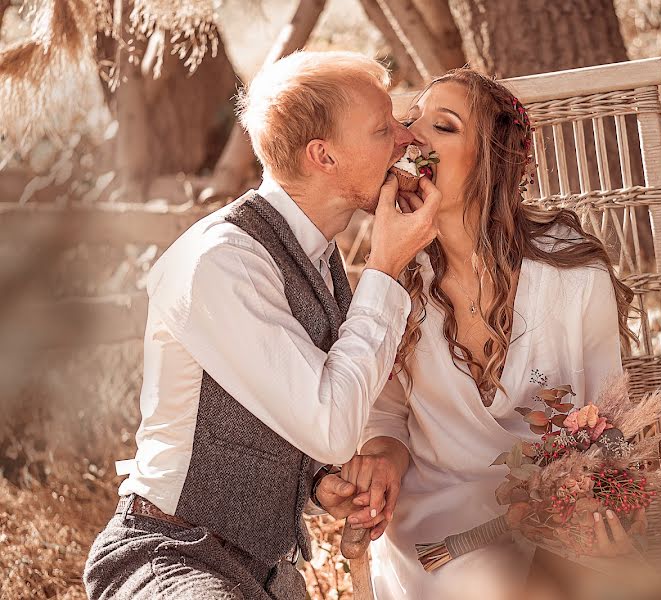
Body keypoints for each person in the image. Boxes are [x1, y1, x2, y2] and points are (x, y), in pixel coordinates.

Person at [82, 50, 441, 599]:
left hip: (267, 577)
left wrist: (319, 483)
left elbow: (284, 409)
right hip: (171, 557)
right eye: (381, 128)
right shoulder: (223, 261)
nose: (404, 138)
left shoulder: (318, 259)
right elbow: (329, 424)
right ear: (323, 155)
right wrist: (385, 270)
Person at [340, 68, 641, 600]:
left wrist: (604, 506)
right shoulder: (396, 280)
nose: (414, 138)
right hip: (437, 535)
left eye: (445, 127)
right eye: (410, 123)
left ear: (493, 162)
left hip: (551, 527)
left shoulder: (572, 275)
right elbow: (386, 414)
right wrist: (382, 462)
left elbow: (607, 418)